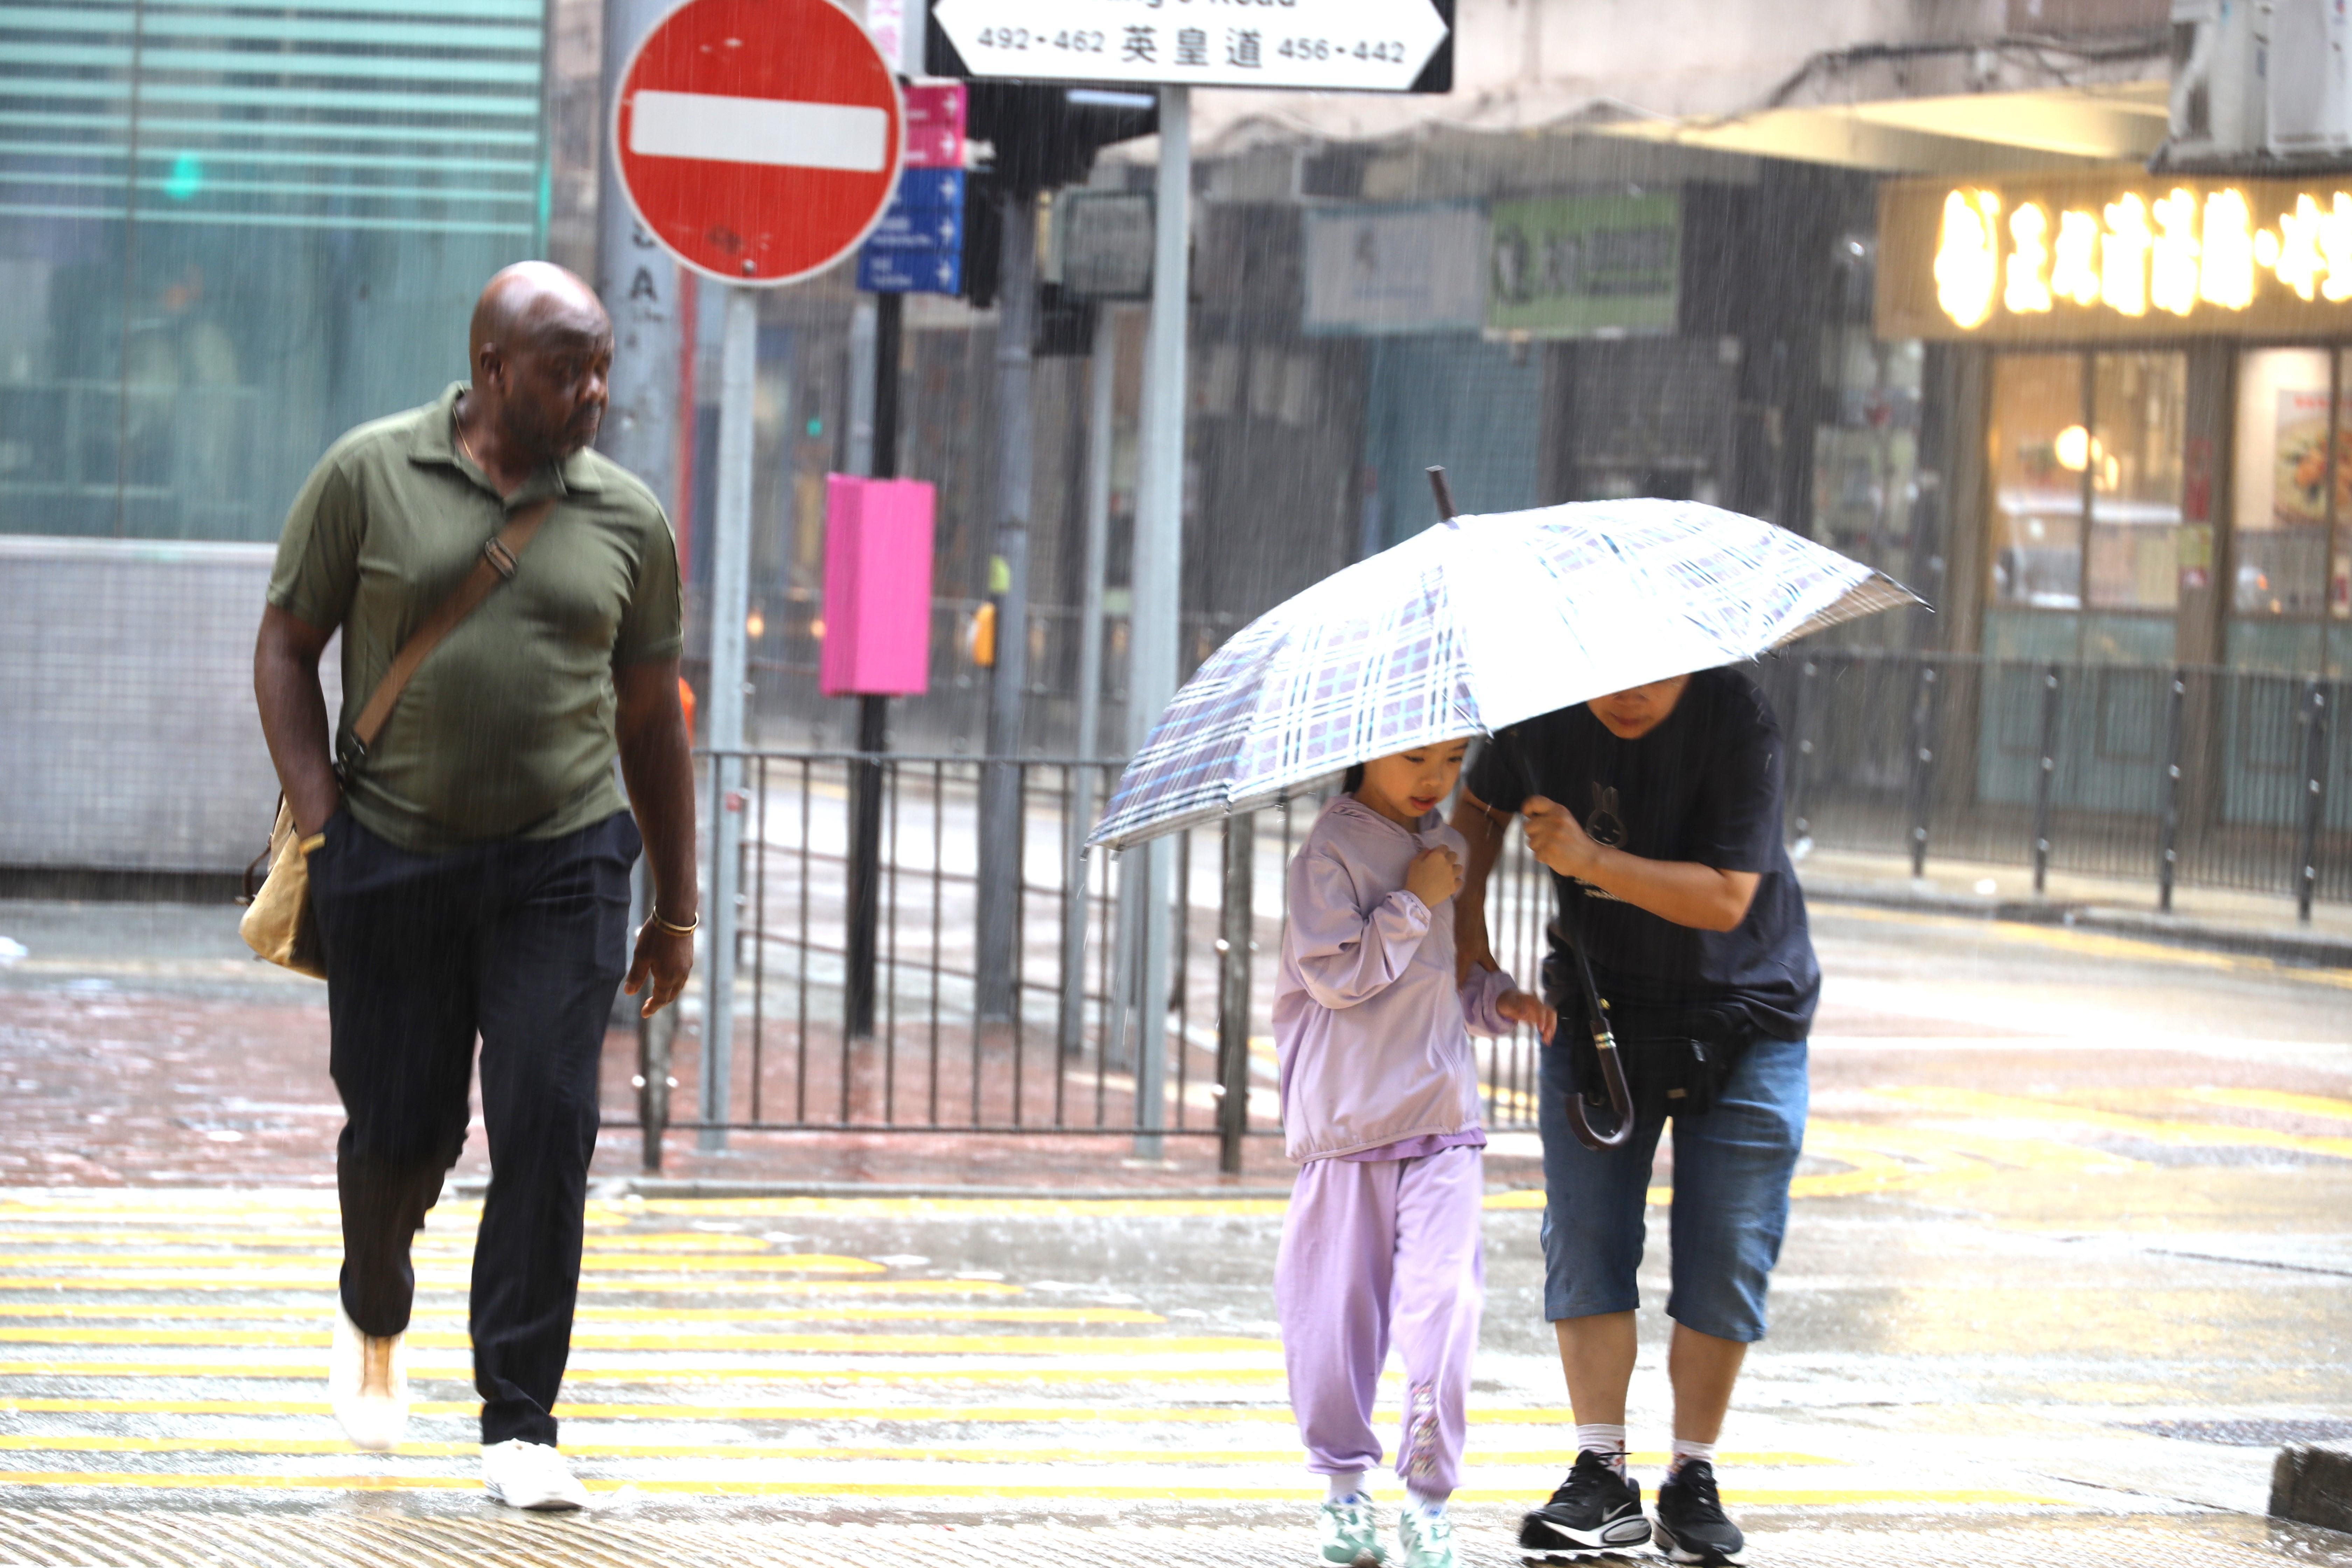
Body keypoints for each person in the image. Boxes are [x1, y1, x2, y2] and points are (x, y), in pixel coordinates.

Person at [252, 262, 697, 1511]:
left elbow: (653, 716)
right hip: (392, 855)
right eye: (570, 369)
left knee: (549, 1123)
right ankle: (374, 1298)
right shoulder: (367, 476)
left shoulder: (626, 521)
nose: (597, 391)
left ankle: (521, 1421)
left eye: (603, 365)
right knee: (404, 1135)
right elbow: (287, 649)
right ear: (493, 369)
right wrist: (329, 831)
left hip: (565, 862)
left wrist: (675, 905)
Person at [1453, 668, 1817, 1568]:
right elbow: (1474, 813)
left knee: (1728, 1246)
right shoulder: (1536, 712)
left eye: (1652, 672)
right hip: (1600, 1011)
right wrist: (1471, 947)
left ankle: (1692, 1475)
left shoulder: (1738, 717)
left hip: (1748, 1015)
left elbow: (1728, 896)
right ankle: (1600, 1469)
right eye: (1608, 672)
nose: (1627, 692)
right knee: (1584, 1237)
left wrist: (1590, 862)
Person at [1274, 738, 1556, 1568]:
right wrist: (1412, 898)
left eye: (1453, 759)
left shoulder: (1449, 848)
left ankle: (1430, 1498)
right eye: (1415, 759)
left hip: (1442, 1120)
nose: (1436, 778)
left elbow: (1437, 980)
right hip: (1349, 1130)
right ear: (1361, 752)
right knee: (1333, 1318)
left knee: (1446, 1309)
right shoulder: (1326, 850)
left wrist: (1501, 1002)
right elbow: (1337, 977)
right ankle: (1343, 1489)